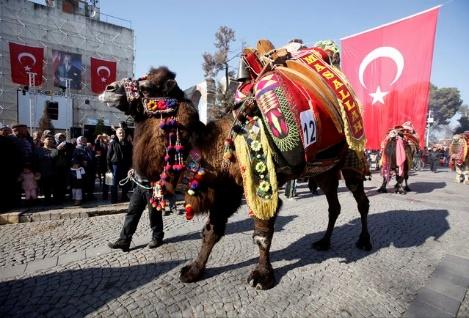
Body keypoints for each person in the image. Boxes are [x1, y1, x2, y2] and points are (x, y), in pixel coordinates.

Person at [108, 170, 164, 252]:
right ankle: (124, 240)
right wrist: (134, 170)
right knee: (132, 211)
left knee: (154, 213)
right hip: (139, 185)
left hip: (155, 186)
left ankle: (157, 237)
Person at [107, 128, 133, 203]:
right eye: (120, 133)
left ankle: (124, 197)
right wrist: (108, 167)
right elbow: (108, 156)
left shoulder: (128, 143)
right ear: (116, 134)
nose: (122, 134)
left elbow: (131, 155)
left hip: (125, 166)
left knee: (126, 182)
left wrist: (131, 166)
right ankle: (114, 199)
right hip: (115, 165)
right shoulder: (113, 143)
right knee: (114, 183)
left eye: (123, 133)